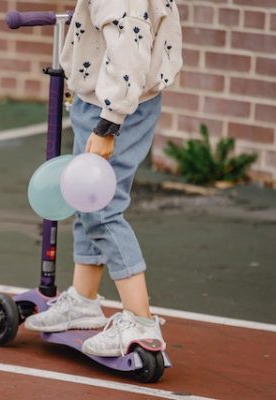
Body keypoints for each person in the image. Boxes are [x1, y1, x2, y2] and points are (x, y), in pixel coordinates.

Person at [24, 0, 183, 357]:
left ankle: (141, 322)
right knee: (87, 200)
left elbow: (129, 49)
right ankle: (83, 299)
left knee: (102, 210)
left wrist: (108, 123)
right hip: (110, 100)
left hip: (114, 107)